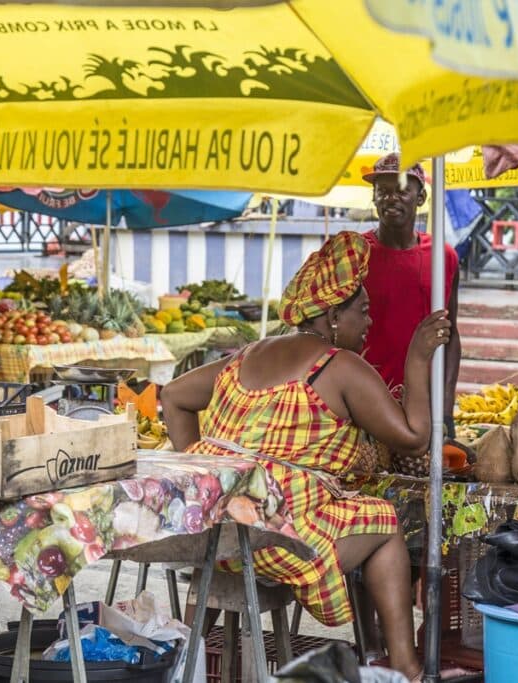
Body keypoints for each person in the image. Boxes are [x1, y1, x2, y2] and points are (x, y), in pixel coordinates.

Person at [161, 232, 450, 680]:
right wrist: (417, 358)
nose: (370, 323)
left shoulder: (244, 357)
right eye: (364, 311)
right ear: (334, 315)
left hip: (212, 533)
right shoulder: (338, 366)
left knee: (349, 510)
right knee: (383, 518)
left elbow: (174, 395)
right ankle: (407, 668)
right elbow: (414, 438)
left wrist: (209, 476)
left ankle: (190, 663)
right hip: (277, 539)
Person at [361, 153, 461, 450]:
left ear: (421, 197)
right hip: (364, 400)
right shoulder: (355, 254)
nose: (391, 198)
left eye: (403, 190)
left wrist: (445, 410)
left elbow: (451, 334)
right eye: (383, 191)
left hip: (423, 405)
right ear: (374, 198)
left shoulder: (444, 257)